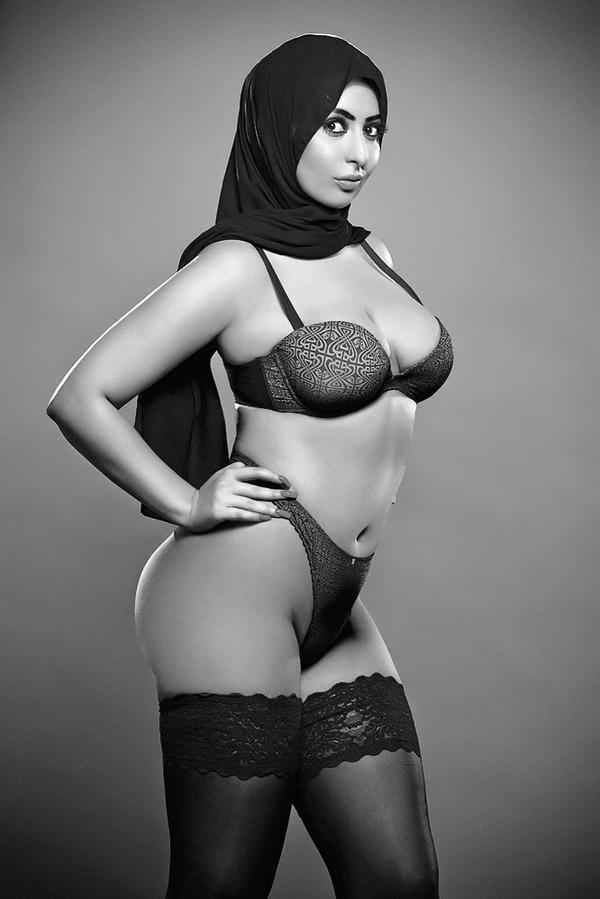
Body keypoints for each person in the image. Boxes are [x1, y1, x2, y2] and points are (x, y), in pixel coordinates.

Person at [47, 33, 453, 899]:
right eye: (335, 125)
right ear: (281, 127)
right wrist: (185, 501)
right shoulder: (238, 266)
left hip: (336, 604)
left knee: (401, 881)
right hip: (232, 590)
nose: (360, 151)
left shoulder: (374, 256)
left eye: (374, 129)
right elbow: (80, 395)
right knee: (223, 884)